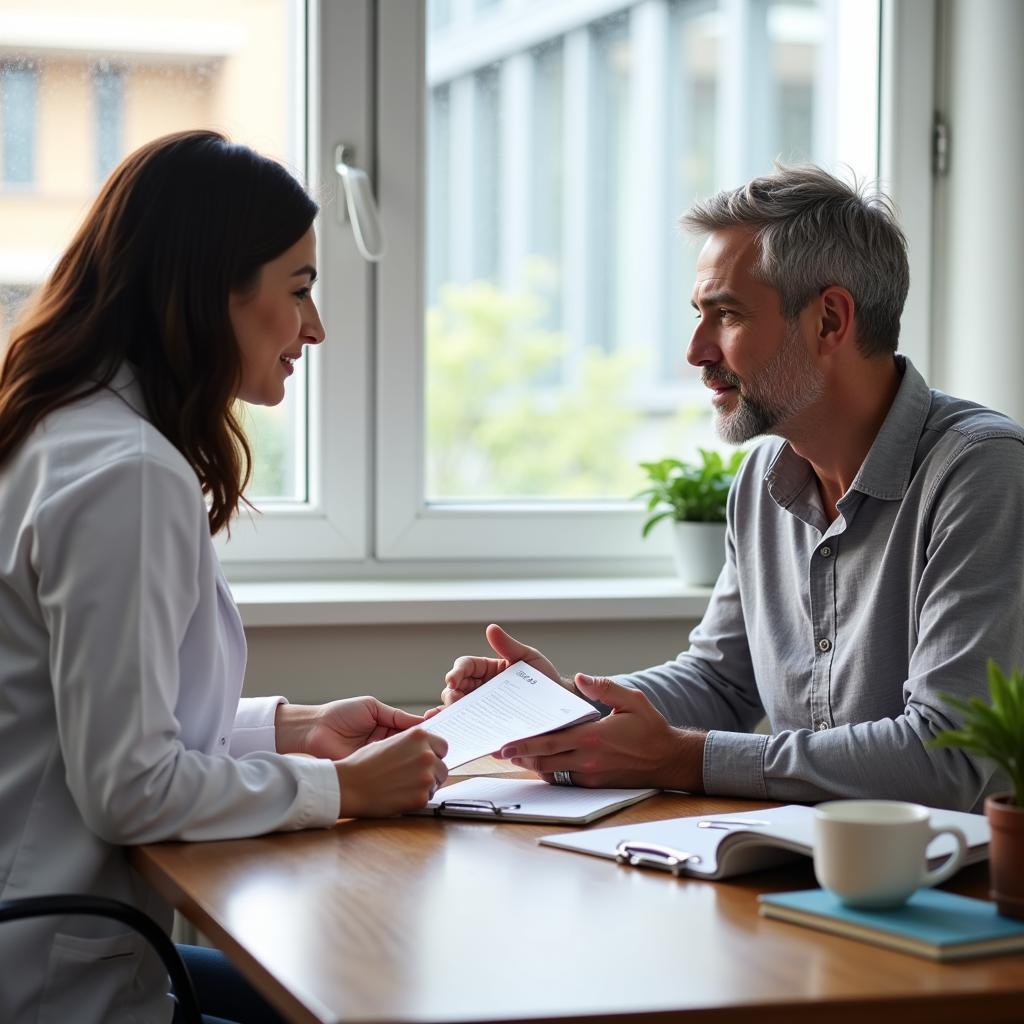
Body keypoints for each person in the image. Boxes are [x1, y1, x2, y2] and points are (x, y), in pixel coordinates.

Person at [0, 130, 448, 1024]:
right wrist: (347, 790)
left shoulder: (67, 430)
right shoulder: (123, 473)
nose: (315, 327)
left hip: (49, 935)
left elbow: (94, 721)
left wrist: (294, 727)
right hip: (52, 981)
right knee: (370, 999)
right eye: (301, 288)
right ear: (213, 291)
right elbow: (129, 788)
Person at [440, 165, 1024, 813]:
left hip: (949, 888)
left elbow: (951, 754)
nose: (695, 350)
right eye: (699, 315)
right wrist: (571, 707)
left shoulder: (981, 470)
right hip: (806, 868)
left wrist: (687, 759)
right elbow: (721, 682)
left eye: (726, 315)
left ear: (830, 321)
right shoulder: (761, 478)